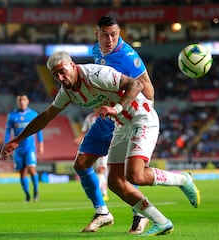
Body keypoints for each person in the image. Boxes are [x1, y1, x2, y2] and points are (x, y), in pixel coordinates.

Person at [0, 52, 200, 236]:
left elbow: (136, 85)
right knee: (114, 182)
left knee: (136, 175)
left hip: (142, 117)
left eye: (62, 72)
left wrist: (118, 107)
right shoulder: (67, 91)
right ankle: (161, 221)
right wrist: (18, 139)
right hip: (121, 125)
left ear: (72, 65)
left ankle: (183, 180)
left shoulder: (96, 74)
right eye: (56, 76)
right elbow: (47, 116)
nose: (60, 78)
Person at [72, 13, 157, 234]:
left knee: (126, 172)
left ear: (119, 33)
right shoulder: (95, 50)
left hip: (127, 117)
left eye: (114, 35)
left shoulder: (128, 56)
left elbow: (147, 87)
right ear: (96, 33)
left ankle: (141, 215)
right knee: (81, 164)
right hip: (105, 116)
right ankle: (102, 213)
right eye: (105, 35)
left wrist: (143, 120)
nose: (110, 40)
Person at [4, 93, 44, 202]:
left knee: (31, 168)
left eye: (24, 100)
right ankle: (27, 195)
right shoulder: (12, 116)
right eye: (20, 100)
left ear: (28, 101)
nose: (22, 102)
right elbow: (7, 132)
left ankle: (36, 192)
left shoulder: (33, 114)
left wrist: (41, 143)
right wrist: (6, 145)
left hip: (29, 147)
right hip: (18, 149)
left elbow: (39, 129)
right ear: (17, 102)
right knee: (22, 172)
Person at [74, 108, 109, 201]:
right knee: (94, 169)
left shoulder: (106, 116)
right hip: (91, 147)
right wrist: (79, 138)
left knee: (101, 169)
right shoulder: (89, 118)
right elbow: (84, 131)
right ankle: (101, 189)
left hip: (104, 145)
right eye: (95, 106)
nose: (96, 108)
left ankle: (103, 192)